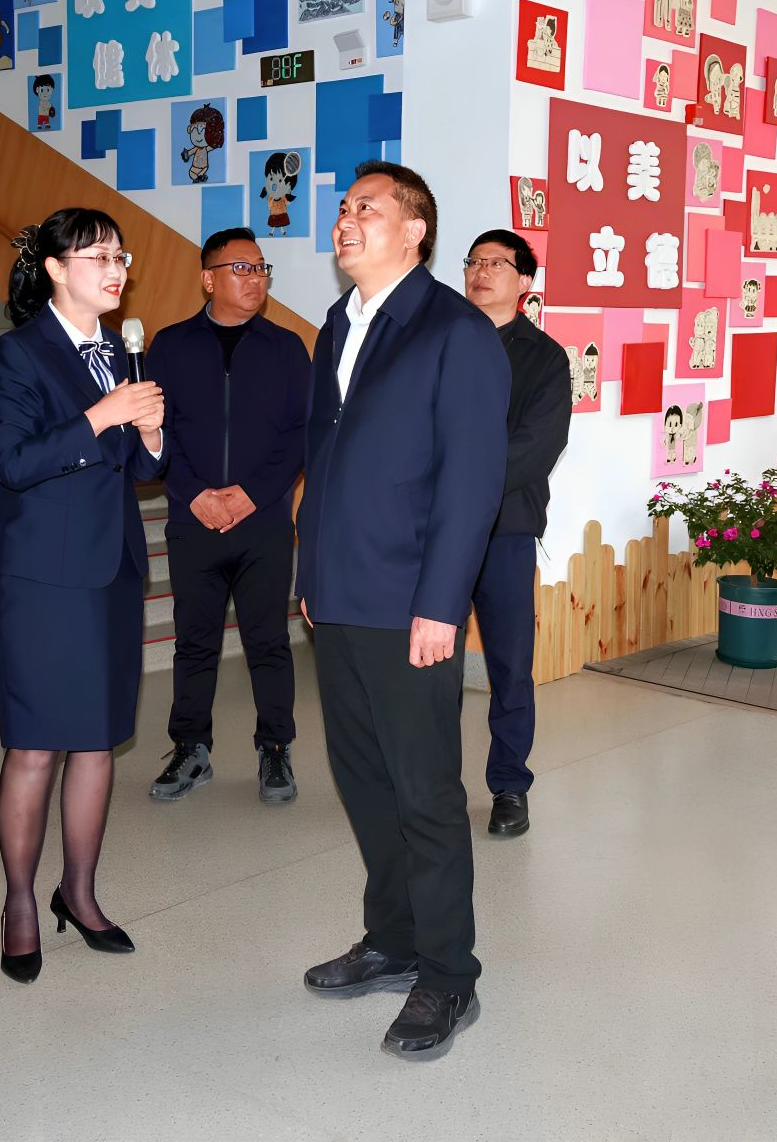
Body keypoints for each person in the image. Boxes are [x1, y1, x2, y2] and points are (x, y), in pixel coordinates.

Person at [297, 161, 509, 1061]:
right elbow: (325, 462)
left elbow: (472, 481)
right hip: (339, 595)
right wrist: (309, 573)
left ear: (415, 230)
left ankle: (449, 973)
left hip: (411, 602)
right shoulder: (336, 326)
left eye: (368, 210)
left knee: (425, 794)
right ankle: (391, 939)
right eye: (343, 208)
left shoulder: (455, 331)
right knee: (364, 781)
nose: (346, 221)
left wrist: (441, 605)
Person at [0, 209, 166, 985]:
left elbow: (141, 469)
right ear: (55, 268)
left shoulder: (119, 351)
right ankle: (20, 902)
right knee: (35, 745)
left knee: (96, 741)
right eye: (97, 256)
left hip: (112, 568)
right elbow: (16, 464)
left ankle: (79, 893)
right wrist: (102, 415)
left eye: (120, 256)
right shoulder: (17, 354)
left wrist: (150, 433)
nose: (116, 270)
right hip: (43, 578)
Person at [147, 227, 311, 804]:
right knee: (194, 643)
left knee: (269, 641)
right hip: (192, 520)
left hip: (263, 523)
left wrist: (252, 496)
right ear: (208, 278)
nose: (255, 278)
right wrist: (193, 494)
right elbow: (157, 430)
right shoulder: (171, 346)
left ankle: (275, 749)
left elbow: (300, 434)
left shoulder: (286, 348)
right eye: (241, 268)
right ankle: (190, 748)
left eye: (261, 268)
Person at [460, 229, 573, 838]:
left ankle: (509, 785)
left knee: (509, 664)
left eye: (497, 264)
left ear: (525, 281)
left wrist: (460, 489)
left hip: (505, 527)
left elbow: (536, 446)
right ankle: (432, 781)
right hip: (437, 532)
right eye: (474, 262)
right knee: (431, 660)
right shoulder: (441, 342)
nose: (481, 273)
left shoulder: (545, 358)